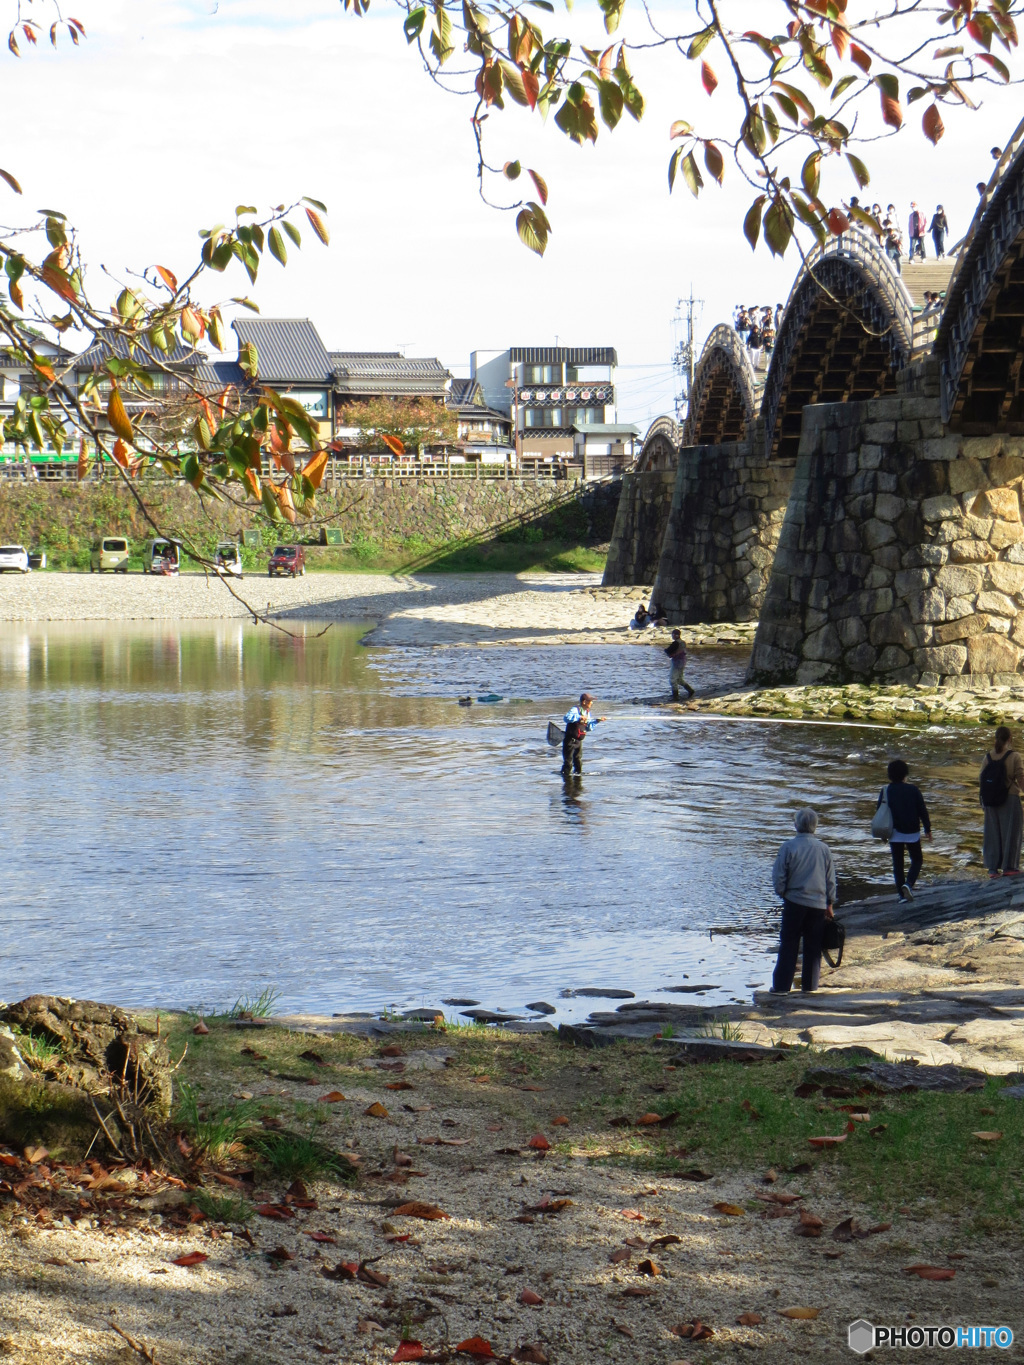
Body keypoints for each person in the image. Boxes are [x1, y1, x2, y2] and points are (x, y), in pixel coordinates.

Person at [770, 809, 837, 994]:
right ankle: (810, 986)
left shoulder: (788, 847)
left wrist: (782, 892)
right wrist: (830, 903)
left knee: (789, 943)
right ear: (815, 827)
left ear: (796, 825)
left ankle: (781, 987)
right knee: (813, 946)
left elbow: (779, 875)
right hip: (818, 904)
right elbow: (830, 879)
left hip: (794, 901)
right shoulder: (824, 849)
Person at [877, 759, 932, 902]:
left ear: (889, 775)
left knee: (898, 864)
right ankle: (908, 884)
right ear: (905, 775)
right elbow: (922, 810)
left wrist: (882, 833)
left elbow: (880, 811)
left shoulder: (886, 790)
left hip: (894, 833)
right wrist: (927, 828)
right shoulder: (913, 790)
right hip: (912, 832)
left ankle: (901, 896)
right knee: (917, 860)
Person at [980, 726, 1024, 877]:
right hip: (1010, 799)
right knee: (1011, 832)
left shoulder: (988, 757)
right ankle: (1009, 867)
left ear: (996, 738)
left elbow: (982, 780)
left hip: (990, 801)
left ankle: (993, 869)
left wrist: (983, 801)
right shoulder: (1014, 756)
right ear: (1010, 739)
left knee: (992, 834)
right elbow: (1020, 777)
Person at [561, 692, 603, 777]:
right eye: (590, 701)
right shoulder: (575, 709)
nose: (592, 703)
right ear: (584, 702)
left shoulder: (588, 713)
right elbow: (566, 718)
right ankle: (566, 782)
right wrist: (579, 717)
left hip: (579, 742)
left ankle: (577, 783)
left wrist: (596, 721)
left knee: (578, 763)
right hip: (569, 741)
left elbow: (588, 728)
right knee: (568, 763)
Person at [665, 629, 694, 700]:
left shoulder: (676, 643)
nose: (672, 636)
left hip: (676, 662)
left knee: (673, 679)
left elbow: (668, 650)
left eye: (673, 635)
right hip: (683, 661)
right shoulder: (683, 642)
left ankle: (675, 696)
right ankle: (690, 691)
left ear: (675, 635)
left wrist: (668, 653)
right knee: (680, 679)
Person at [883, 205, 903, 273]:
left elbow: (901, 236)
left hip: (897, 248)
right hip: (890, 248)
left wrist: (900, 243)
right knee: (889, 264)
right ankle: (889, 275)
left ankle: (899, 276)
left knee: (899, 264)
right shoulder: (885, 231)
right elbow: (885, 238)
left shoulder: (896, 230)